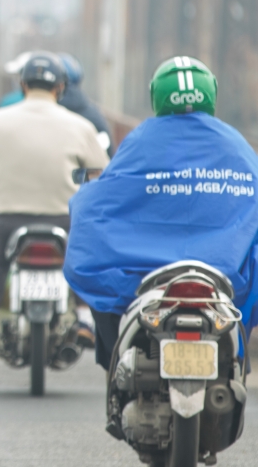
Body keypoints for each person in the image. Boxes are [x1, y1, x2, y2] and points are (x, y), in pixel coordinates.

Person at [64, 56, 258, 369]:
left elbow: (104, 198)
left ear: (156, 95)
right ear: (212, 94)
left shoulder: (141, 140)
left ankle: (119, 362)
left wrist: (84, 196)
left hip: (150, 280)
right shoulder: (236, 145)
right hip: (222, 276)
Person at [0, 52, 109, 345]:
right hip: (63, 218)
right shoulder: (79, 125)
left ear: (23, 85)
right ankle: (83, 318)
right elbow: (101, 174)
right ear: (60, 88)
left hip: (6, 219)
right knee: (80, 256)